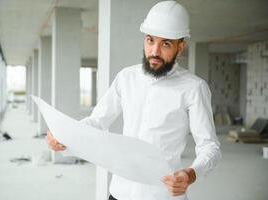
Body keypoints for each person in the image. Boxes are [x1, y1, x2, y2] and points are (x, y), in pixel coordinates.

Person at [46, 1, 221, 200]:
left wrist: (191, 173)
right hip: (120, 192)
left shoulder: (194, 88)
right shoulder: (125, 77)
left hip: (162, 195)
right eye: (150, 40)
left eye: (165, 43)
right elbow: (96, 122)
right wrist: (65, 135)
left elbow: (210, 147)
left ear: (180, 47)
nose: (154, 51)